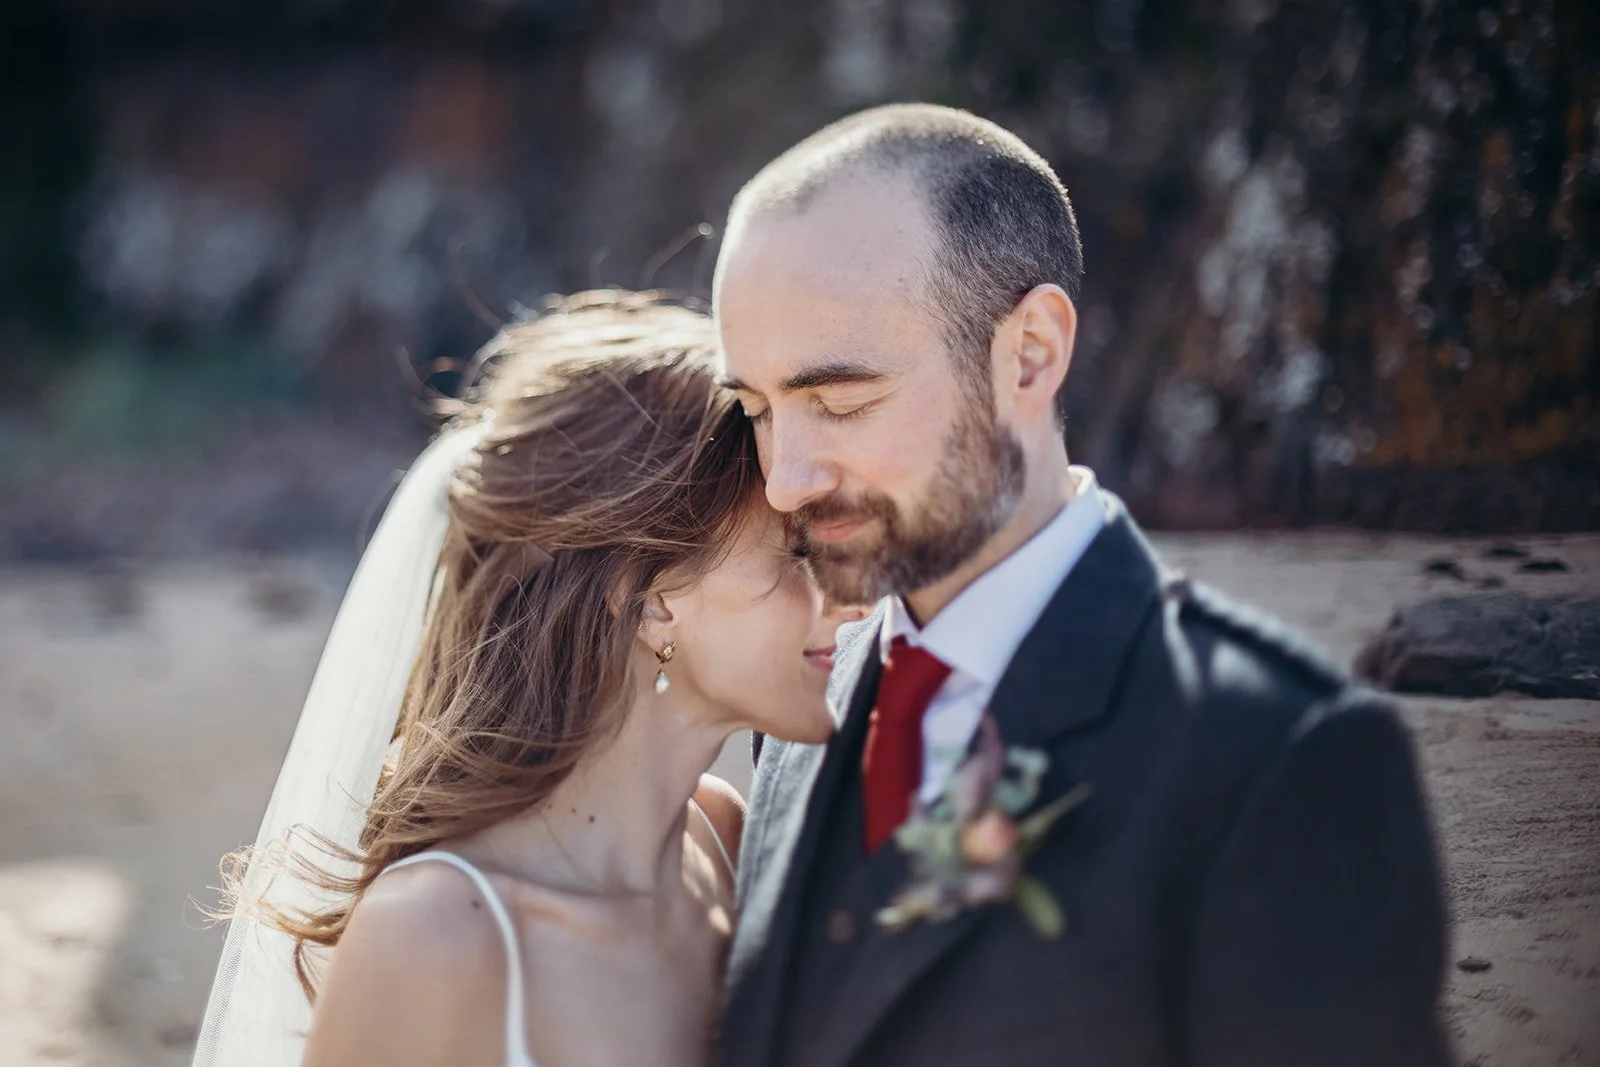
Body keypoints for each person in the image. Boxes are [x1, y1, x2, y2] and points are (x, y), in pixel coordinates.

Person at [713, 104, 1451, 1067]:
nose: (786, 479)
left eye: (840, 402)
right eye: (759, 411)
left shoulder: (1280, 760)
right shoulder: (798, 714)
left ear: (1030, 354)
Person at [192, 292, 861, 1067]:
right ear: (649, 598)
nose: (856, 598)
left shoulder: (727, 837)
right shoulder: (436, 936)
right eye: (801, 555)